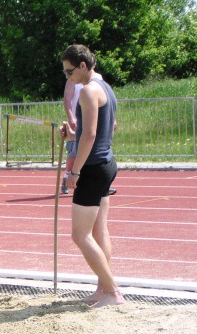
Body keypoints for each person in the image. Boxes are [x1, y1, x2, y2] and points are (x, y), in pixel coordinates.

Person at [59, 45, 124, 308]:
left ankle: (111, 291)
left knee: (80, 234)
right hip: (106, 163)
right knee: (98, 231)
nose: (68, 78)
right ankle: (102, 289)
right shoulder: (106, 88)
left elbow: (90, 135)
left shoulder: (88, 91)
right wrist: (71, 135)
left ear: (83, 65)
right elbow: (110, 127)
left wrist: (75, 171)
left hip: (94, 167)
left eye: (70, 71)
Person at [62, 74, 116, 196]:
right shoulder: (72, 80)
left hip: (93, 121)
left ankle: (102, 182)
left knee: (93, 149)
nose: (68, 74)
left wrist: (113, 119)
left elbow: (106, 100)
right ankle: (67, 177)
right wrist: (71, 118)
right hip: (78, 120)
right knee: (74, 151)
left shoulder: (96, 83)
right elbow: (67, 99)